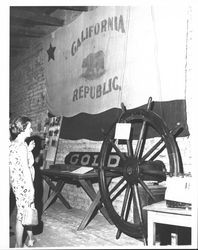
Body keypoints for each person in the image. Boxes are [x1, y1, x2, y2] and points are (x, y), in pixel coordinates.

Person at [9, 116, 36, 248]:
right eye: (30, 127)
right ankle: (18, 246)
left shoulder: (13, 144)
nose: (31, 130)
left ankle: (24, 242)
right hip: (24, 186)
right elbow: (25, 170)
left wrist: (28, 150)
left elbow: (16, 164)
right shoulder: (21, 147)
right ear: (23, 129)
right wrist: (32, 189)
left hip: (16, 186)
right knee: (21, 218)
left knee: (22, 214)